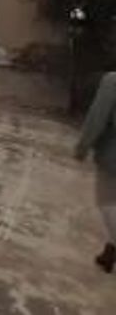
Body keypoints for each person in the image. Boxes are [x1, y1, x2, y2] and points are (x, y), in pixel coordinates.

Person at [75, 71, 116, 273]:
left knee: (107, 203)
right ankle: (110, 251)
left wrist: (82, 147)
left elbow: (97, 118)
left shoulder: (113, 81)